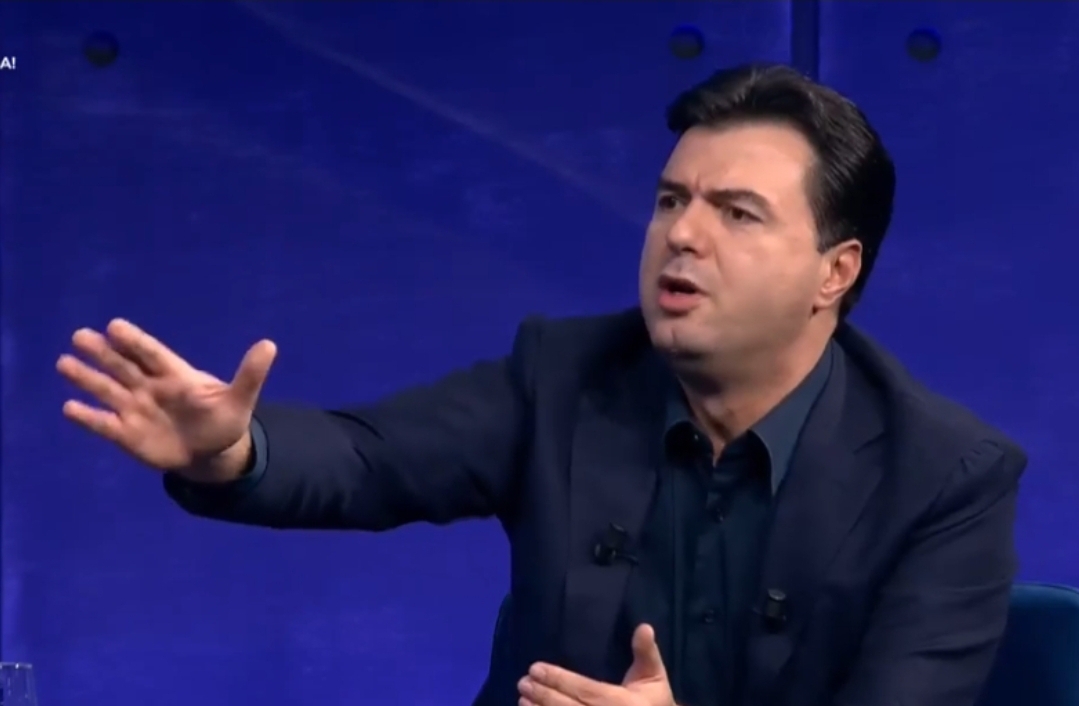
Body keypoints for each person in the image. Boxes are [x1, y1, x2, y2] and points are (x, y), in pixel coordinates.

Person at [56, 63, 1026, 706]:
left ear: (833, 271)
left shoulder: (942, 477)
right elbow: (367, 458)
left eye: (736, 213)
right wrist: (235, 450)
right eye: (669, 201)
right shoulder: (566, 376)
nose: (682, 235)